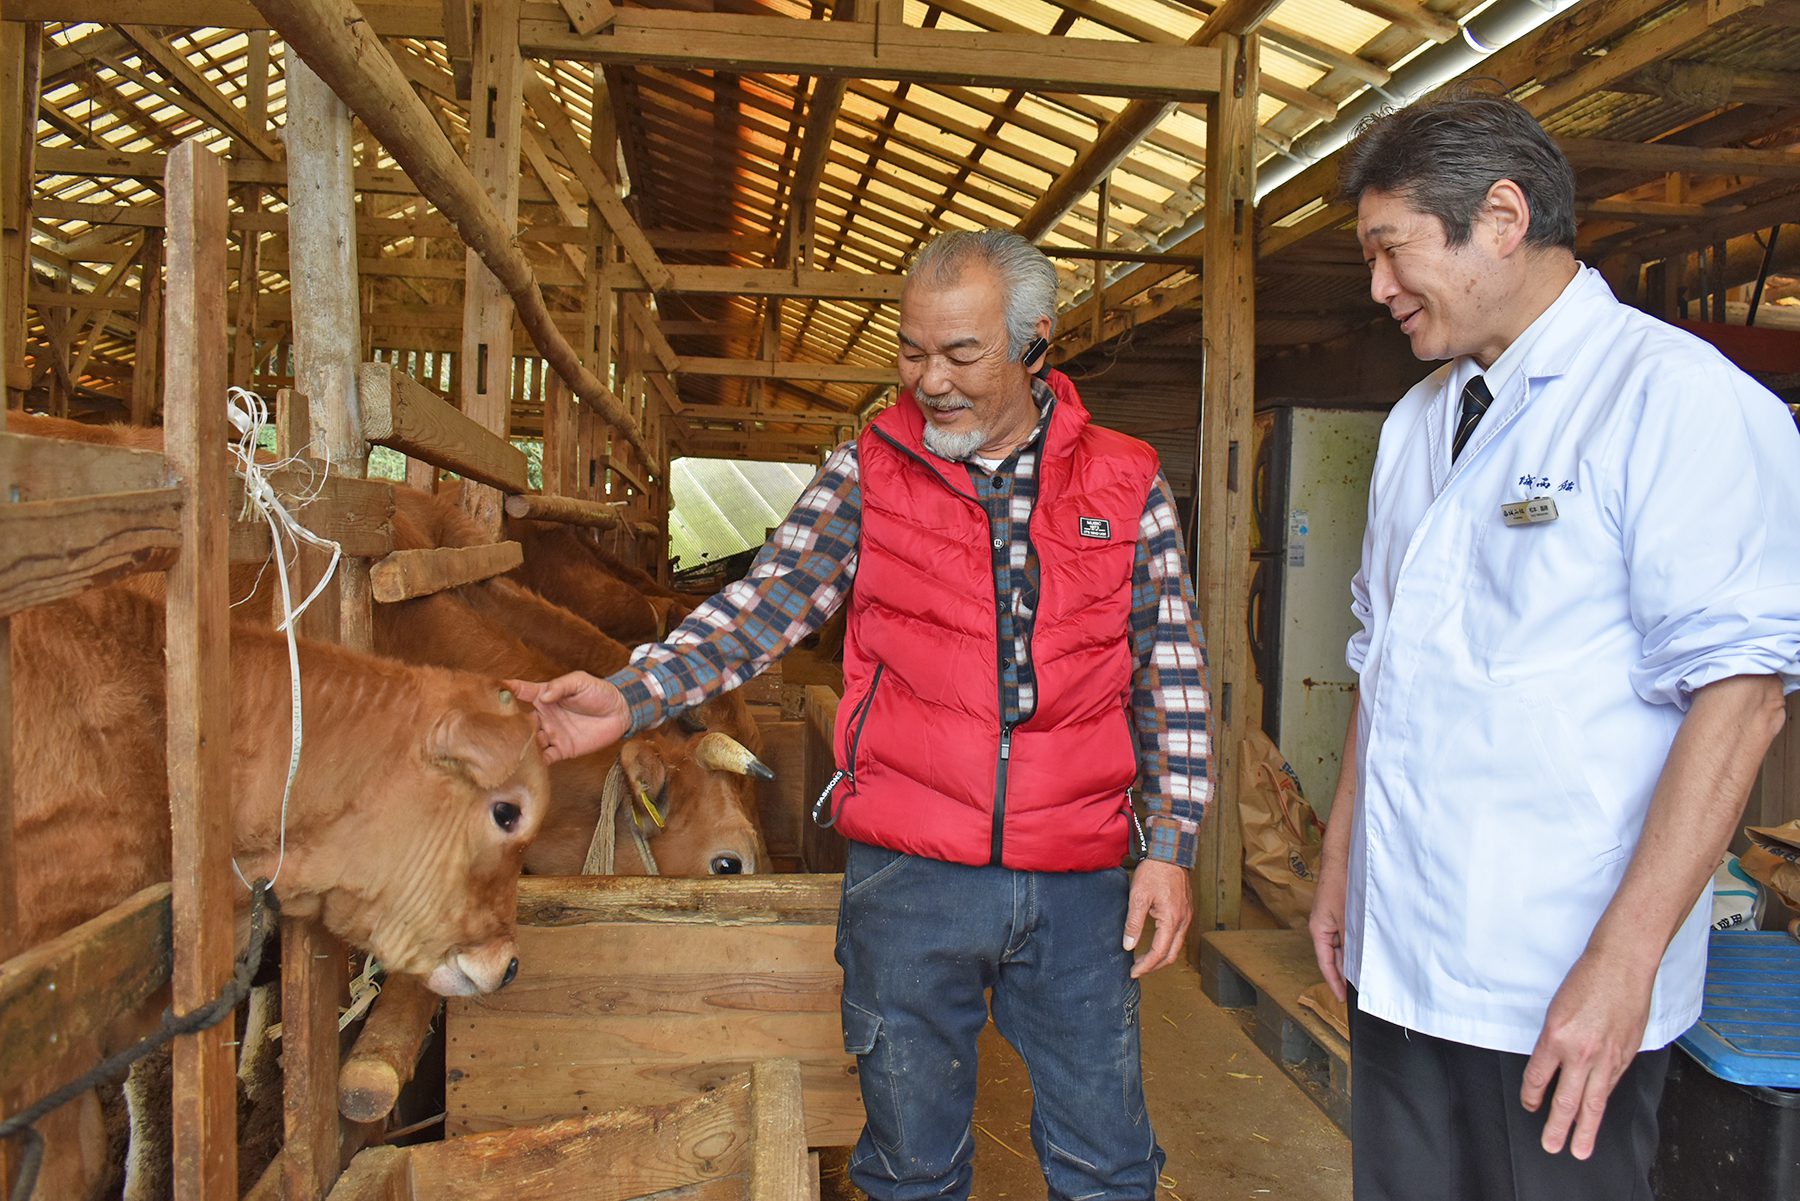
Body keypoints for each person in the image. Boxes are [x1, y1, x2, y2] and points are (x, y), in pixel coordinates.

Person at [510, 229, 1212, 1201]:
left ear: (1035, 343)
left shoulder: (1125, 480)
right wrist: (629, 696)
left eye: (962, 353)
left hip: (1079, 877)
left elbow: (1168, 669)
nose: (932, 380)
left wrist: (1171, 845)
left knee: (1107, 1164)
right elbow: (761, 610)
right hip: (909, 874)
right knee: (910, 1164)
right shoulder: (868, 469)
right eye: (913, 351)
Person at [1308, 91, 1800, 1201]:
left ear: (1500, 215)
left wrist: (1623, 966)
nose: (1379, 287)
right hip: (1404, 961)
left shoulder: (1676, 402)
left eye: (1392, 250)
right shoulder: (1416, 425)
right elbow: (1382, 662)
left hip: (1559, 977)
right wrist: (1345, 863)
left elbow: (1743, 695)